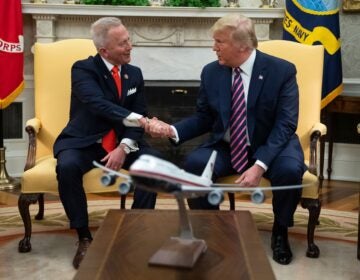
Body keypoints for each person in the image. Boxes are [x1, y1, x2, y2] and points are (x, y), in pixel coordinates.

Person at [146, 14, 306, 265]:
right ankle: (211, 228)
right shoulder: (212, 72)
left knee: (289, 169)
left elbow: (285, 124)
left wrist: (259, 165)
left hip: (271, 144)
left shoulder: (281, 71)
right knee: (195, 164)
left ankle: (280, 231)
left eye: (219, 41)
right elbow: (204, 118)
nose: (213, 47)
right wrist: (172, 130)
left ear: (242, 45)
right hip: (228, 145)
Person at [53, 17, 161, 269]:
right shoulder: (82, 69)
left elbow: (140, 108)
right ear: (105, 50)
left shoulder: (134, 73)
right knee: (66, 166)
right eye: (123, 43)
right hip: (86, 139)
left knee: (153, 165)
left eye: (129, 40)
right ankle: (84, 237)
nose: (130, 46)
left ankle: (136, 230)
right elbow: (97, 104)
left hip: (123, 139)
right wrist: (141, 120)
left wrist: (123, 148)